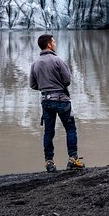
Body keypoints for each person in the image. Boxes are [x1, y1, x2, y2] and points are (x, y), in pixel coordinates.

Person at [29, 34, 85, 172]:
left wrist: (45, 86)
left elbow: (33, 85)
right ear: (48, 44)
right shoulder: (57, 60)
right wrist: (57, 85)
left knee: (48, 132)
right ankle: (73, 159)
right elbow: (67, 80)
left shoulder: (35, 64)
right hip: (61, 99)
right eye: (53, 41)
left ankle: (49, 163)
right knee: (70, 129)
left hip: (46, 101)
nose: (55, 43)